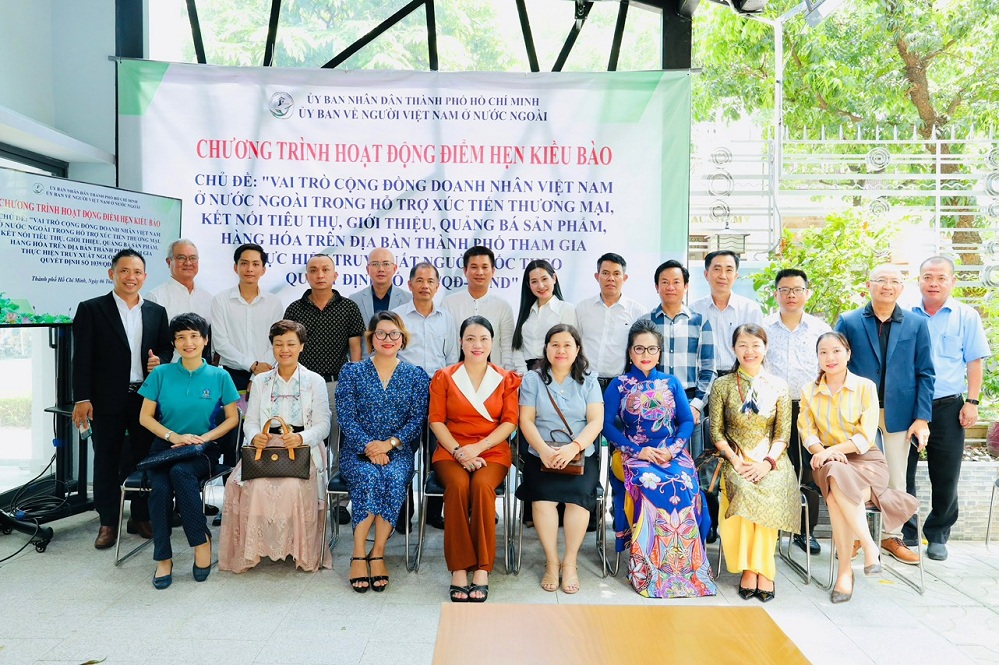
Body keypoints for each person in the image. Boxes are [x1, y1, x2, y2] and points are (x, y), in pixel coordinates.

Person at [799, 332, 920, 603]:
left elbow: (866, 436)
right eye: (823, 352)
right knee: (835, 473)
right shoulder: (809, 391)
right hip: (825, 462)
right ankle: (869, 546)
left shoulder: (865, 387)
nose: (830, 357)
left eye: (836, 351)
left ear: (848, 354)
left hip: (866, 460)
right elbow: (807, 434)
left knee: (835, 496)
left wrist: (832, 451)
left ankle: (845, 572)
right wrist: (825, 453)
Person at [603, 319, 716, 598]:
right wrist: (636, 450)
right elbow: (605, 425)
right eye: (639, 348)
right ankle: (647, 569)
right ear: (630, 352)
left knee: (684, 483)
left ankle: (689, 569)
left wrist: (674, 449)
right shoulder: (618, 385)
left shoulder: (671, 382)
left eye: (652, 349)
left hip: (670, 451)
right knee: (649, 482)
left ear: (659, 352)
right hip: (633, 452)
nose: (646, 354)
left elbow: (686, 421)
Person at [72, 248, 172, 549]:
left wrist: (160, 361)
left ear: (145, 276)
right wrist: (82, 398)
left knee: (145, 458)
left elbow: (165, 349)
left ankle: (141, 516)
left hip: (145, 398)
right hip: (105, 399)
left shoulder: (156, 311)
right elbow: (81, 358)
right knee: (106, 459)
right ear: (111, 274)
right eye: (124, 271)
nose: (131, 277)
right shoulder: (91, 309)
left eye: (137, 272)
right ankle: (108, 522)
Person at [835, 264, 934, 565]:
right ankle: (855, 537)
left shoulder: (916, 324)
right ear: (869, 285)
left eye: (894, 281)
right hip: (856, 413)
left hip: (899, 413)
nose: (887, 286)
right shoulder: (849, 321)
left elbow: (925, 372)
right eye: (881, 280)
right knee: (855, 474)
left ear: (902, 288)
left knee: (896, 476)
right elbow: (835, 365)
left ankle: (892, 536)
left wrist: (922, 418)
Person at [218, 320, 333, 574]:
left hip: (302, 449)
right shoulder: (261, 380)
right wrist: (255, 436)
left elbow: (324, 425)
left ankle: (296, 549)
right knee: (254, 486)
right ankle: (254, 549)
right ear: (272, 347)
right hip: (266, 448)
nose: (285, 349)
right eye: (278, 344)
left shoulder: (314, 380)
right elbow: (251, 421)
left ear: (302, 346)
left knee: (292, 486)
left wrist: (301, 438)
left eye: (291, 343)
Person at [136, 313, 240, 588]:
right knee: (159, 488)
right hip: (165, 446)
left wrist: (202, 438)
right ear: (173, 343)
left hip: (202, 449)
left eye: (194, 336)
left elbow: (232, 418)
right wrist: (174, 436)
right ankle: (163, 557)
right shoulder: (161, 374)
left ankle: (200, 541)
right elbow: (145, 417)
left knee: (181, 473)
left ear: (205, 340)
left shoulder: (220, 376)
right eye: (181, 337)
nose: (188, 342)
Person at [429, 316, 521, 602]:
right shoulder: (444, 376)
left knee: (481, 487)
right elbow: (436, 421)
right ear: (461, 342)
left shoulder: (506, 379)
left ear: (492, 343)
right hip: (451, 449)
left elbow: (510, 422)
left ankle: (482, 567)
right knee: (457, 486)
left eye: (483, 339)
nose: (477, 344)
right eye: (470, 338)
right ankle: (458, 567)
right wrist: (460, 451)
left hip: (491, 450)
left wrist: (477, 448)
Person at [336, 311, 430, 592]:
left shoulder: (416, 376)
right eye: (381, 333)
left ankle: (377, 552)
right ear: (371, 338)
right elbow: (346, 417)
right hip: (357, 450)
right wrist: (369, 446)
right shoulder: (352, 372)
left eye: (394, 334)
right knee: (368, 477)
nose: (387, 339)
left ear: (402, 339)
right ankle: (357, 553)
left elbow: (417, 419)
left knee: (392, 477)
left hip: (397, 450)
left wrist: (389, 444)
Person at [907, 257, 990, 561]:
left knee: (946, 474)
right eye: (928, 276)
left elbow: (974, 361)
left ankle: (938, 534)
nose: (934, 283)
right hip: (909, 405)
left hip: (948, 406)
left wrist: (972, 402)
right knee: (903, 472)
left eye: (941, 278)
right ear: (918, 280)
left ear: (952, 282)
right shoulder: (905, 313)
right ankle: (906, 531)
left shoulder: (966, 315)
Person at [709, 324, 799, 602]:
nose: (749, 351)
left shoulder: (779, 386)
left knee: (770, 489)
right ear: (734, 349)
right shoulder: (722, 385)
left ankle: (764, 570)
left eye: (755, 345)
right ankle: (749, 568)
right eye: (743, 345)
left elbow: (783, 434)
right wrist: (736, 461)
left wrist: (767, 463)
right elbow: (716, 432)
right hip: (735, 457)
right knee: (744, 490)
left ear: (765, 348)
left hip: (772, 459)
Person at [516, 324, 603, 594]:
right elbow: (526, 420)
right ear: (546, 348)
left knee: (578, 500)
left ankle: (570, 562)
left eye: (567, 345)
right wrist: (544, 450)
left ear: (577, 349)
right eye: (555, 344)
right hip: (540, 453)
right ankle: (552, 562)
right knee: (543, 500)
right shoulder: (532, 379)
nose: (561, 350)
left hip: (579, 456)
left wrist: (572, 449)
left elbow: (596, 421)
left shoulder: (590, 380)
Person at [284, 253, 365, 525]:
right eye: (314, 270)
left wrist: (353, 383)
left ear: (335, 275)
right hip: (302, 386)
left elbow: (356, 349)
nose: (320, 275)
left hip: (336, 384)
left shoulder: (349, 308)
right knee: (305, 440)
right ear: (307, 275)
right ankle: (307, 497)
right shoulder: (295, 309)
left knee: (340, 442)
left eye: (325, 270)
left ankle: (339, 501)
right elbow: (288, 347)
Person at [763, 268, 831, 555]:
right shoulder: (764, 328)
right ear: (776, 293)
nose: (791, 295)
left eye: (797, 289)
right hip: (772, 407)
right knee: (773, 467)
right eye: (785, 290)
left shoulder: (820, 329)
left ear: (807, 293)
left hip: (809, 407)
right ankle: (771, 529)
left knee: (809, 468)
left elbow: (829, 367)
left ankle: (806, 531)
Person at [393, 261, 458, 531]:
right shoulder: (397, 317)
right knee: (403, 452)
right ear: (409, 285)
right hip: (405, 393)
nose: (424, 286)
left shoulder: (446, 318)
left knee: (437, 453)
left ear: (437, 285)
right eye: (419, 280)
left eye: (430, 281)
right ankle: (402, 514)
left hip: (438, 392)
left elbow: (452, 359)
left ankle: (433, 513)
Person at [210, 243, 284, 392]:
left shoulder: (274, 303)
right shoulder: (221, 300)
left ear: (263, 270)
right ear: (235, 267)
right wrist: (252, 365)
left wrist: (255, 376)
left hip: (266, 373)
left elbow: (276, 343)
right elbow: (220, 343)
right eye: (244, 263)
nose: (250, 269)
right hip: (231, 375)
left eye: (255, 264)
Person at [575, 252, 646, 391]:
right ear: (597, 276)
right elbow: (574, 344)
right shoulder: (583, 308)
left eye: (616, 274)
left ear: (624, 278)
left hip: (620, 385)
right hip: (585, 382)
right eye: (605, 273)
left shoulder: (637, 311)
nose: (611, 278)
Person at [441, 246, 515, 371]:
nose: (480, 272)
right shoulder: (448, 304)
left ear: (493, 271)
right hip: (457, 375)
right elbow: (445, 345)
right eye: (474, 267)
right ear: (465, 271)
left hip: (494, 376)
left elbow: (508, 348)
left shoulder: (503, 307)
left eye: (485, 267)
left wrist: (508, 376)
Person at [691, 250, 764, 374]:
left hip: (739, 376)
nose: (723, 275)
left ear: (736, 276)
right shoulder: (693, 310)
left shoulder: (750, 309)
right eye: (717, 269)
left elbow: (757, 349)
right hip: (703, 377)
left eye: (729, 270)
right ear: (706, 274)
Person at [511, 260, 578, 375]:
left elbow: (569, 347)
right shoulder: (526, 312)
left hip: (555, 372)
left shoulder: (566, 309)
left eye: (544, 279)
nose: (541, 286)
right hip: (527, 373)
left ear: (554, 278)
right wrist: (524, 373)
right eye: (534, 281)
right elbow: (518, 346)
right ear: (528, 285)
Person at [349, 248, 412, 360]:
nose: (381, 269)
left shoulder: (409, 300)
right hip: (366, 365)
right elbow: (354, 341)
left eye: (386, 264)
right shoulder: (355, 300)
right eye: (375, 264)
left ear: (394, 268)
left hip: (399, 365)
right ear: (367, 269)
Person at [146, 239, 214, 341]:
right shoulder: (155, 298)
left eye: (193, 258)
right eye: (181, 258)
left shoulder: (208, 298)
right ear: (169, 262)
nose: (188, 263)